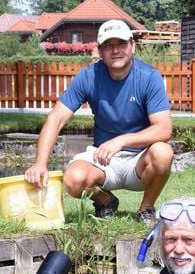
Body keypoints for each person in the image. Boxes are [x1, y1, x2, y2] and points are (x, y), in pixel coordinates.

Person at [24, 19, 174, 225]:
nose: (115, 51)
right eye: (108, 45)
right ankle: (106, 201)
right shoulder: (88, 77)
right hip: (103, 161)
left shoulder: (149, 77)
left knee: (163, 152)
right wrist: (40, 164)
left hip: (140, 160)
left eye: (121, 44)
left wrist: (120, 141)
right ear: (100, 51)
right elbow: (56, 118)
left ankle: (146, 208)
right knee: (72, 180)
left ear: (132, 45)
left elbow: (164, 129)